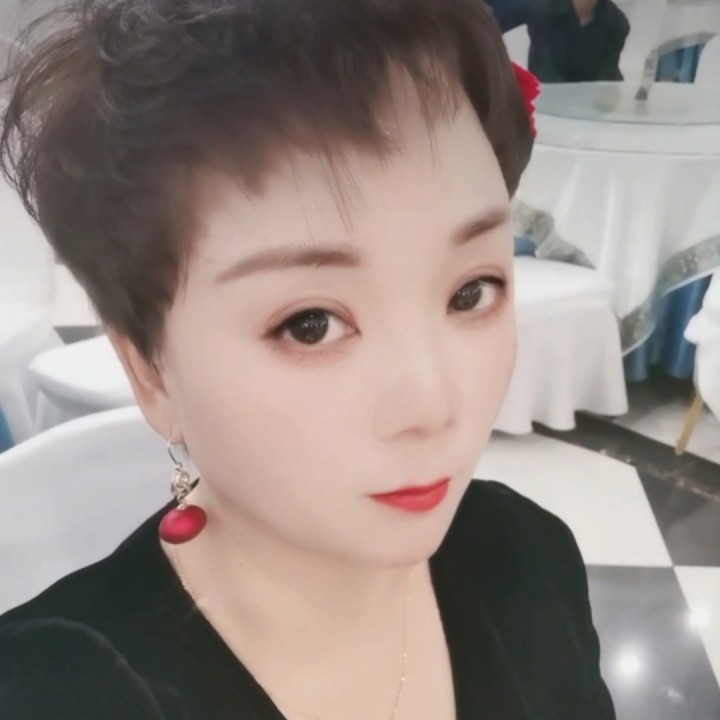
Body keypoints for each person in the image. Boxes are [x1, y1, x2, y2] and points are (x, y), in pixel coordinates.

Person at [0, 1, 615, 718]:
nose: (432, 405)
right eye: (311, 325)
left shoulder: (529, 560)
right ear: (150, 370)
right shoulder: (51, 693)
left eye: (470, 291)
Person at [488, 0, 631, 82]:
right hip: (547, 107)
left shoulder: (616, 23)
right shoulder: (543, 9)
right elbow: (546, 73)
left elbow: (606, 78)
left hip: (591, 112)